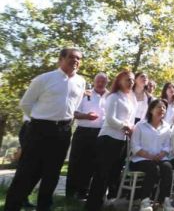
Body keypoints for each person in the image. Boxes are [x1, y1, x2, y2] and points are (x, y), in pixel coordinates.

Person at [4, 48, 86, 211]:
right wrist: (38, 120)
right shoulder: (44, 79)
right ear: (61, 59)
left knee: (52, 173)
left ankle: (44, 207)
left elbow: (73, 106)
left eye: (78, 58)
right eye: (71, 57)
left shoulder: (81, 82)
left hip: (63, 132)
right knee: (27, 172)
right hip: (39, 130)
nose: (75, 61)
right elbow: (25, 104)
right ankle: (12, 206)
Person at [85, 70, 137, 211]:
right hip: (108, 139)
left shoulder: (131, 98)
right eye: (127, 79)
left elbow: (131, 120)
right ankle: (93, 206)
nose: (131, 82)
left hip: (121, 140)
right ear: (119, 81)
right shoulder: (113, 96)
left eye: (132, 80)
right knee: (102, 174)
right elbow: (110, 119)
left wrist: (131, 130)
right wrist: (125, 126)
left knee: (113, 174)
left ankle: (105, 203)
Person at [66, 73, 108, 200]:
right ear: (94, 82)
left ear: (107, 82)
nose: (100, 84)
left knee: (92, 164)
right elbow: (74, 113)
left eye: (103, 81)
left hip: (101, 133)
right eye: (98, 81)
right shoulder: (85, 94)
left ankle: (83, 192)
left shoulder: (111, 96)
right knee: (77, 162)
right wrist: (86, 116)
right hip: (83, 132)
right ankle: (70, 193)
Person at [130, 99, 174, 211]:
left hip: (160, 158)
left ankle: (163, 201)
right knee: (153, 168)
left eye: (164, 108)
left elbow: (167, 146)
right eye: (159, 107)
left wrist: (162, 154)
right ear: (151, 110)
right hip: (140, 159)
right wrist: (149, 156)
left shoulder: (167, 126)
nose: (162, 109)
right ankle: (144, 201)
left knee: (167, 167)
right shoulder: (140, 125)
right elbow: (135, 146)